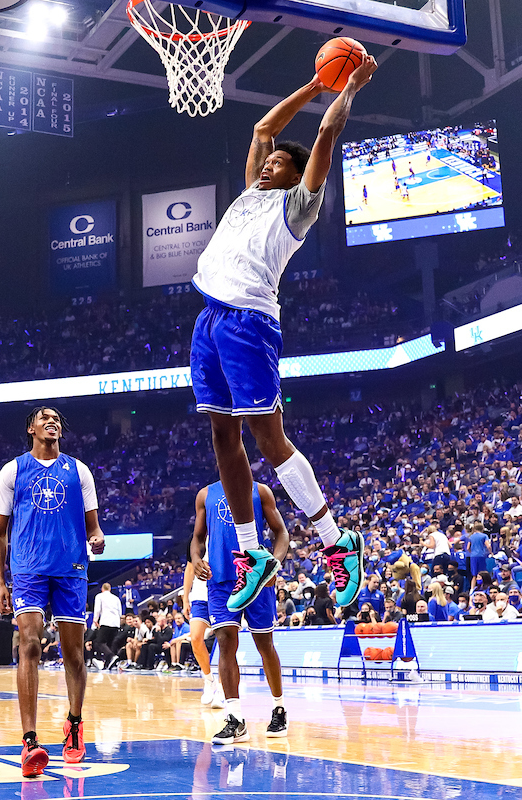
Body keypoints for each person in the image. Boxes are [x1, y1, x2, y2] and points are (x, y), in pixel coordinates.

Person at [188, 55, 378, 616]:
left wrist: (347, 88)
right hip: (210, 317)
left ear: (296, 174)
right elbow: (263, 128)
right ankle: (251, 556)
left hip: (249, 321)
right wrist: (314, 81)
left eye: (277, 163)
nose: (268, 162)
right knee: (224, 439)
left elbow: (324, 132)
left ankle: (335, 541)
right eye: (266, 162)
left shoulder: (300, 205)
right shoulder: (251, 193)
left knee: (269, 440)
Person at [0, 406, 106, 776]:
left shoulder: (80, 471)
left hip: (71, 569)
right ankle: (30, 742)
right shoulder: (12, 471)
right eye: (43, 417)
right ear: (31, 428)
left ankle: (74, 724)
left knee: (74, 654)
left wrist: (98, 537)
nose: (51, 421)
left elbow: (94, 527)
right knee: (30, 645)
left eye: (56, 417)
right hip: (28, 570)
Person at [190, 479, 290, 745]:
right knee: (225, 644)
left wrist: (275, 565)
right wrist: (197, 559)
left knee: (264, 644)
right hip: (220, 580)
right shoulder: (205, 494)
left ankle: (279, 708)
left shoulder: (260, 491)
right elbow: (198, 538)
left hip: (256, 577)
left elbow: (281, 532)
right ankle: (235, 720)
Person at [181, 560, 222, 707]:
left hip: (222, 594)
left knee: (225, 644)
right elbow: (190, 568)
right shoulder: (195, 540)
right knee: (196, 638)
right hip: (199, 597)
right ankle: (209, 679)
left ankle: (223, 689)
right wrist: (185, 599)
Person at [88, 582, 123, 670]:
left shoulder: (100, 596)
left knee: (99, 642)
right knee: (110, 643)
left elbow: (97, 609)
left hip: (106, 621)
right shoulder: (116, 598)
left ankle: (111, 656)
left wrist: (95, 620)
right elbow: (120, 612)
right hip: (115, 623)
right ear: (110, 589)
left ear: (102, 589)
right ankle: (108, 664)